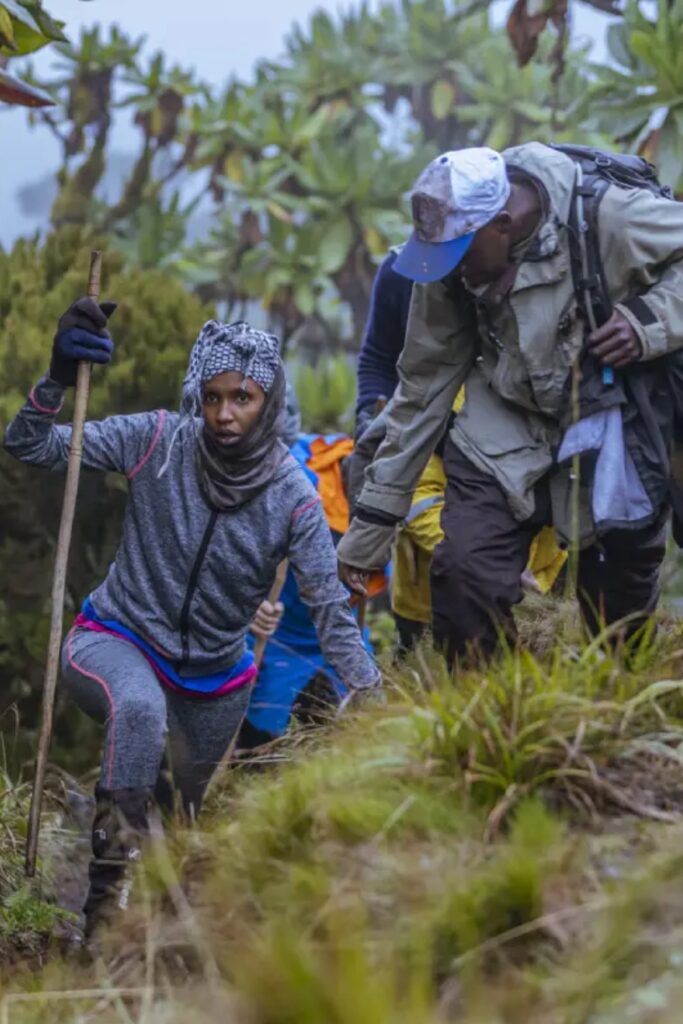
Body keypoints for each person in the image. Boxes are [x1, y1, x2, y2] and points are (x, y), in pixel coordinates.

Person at [4, 301, 379, 938]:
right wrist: (57, 378)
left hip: (215, 680)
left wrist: (375, 697)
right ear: (194, 396)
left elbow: (331, 612)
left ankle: (158, 937)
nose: (225, 415)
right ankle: (102, 916)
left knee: (183, 825)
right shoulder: (155, 440)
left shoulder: (294, 499)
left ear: (269, 398)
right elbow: (30, 444)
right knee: (140, 710)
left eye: (243, 397)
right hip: (113, 639)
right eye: (210, 398)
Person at [338, 143, 683, 663]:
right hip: (505, 414)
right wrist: (367, 536)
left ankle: (613, 703)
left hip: (610, 406)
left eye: (459, 254)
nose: (446, 269)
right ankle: (487, 722)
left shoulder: (607, 215)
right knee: (463, 575)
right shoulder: (449, 257)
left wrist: (649, 322)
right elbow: (421, 390)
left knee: (617, 600)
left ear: (503, 223)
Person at [240, 429, 381, 750]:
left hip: (346, 631)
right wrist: (253, 602)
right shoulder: (302, 472)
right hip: (280, 629)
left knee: (364, 724)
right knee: (259, 736)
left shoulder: (388, 495)